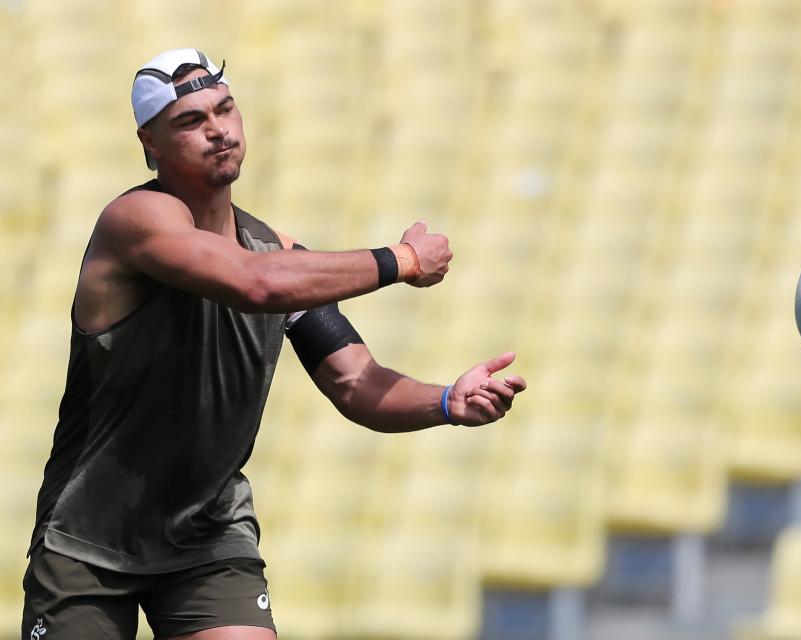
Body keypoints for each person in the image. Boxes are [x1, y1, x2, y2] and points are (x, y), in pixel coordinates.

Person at [21, 48, 526, 640]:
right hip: (90, 537)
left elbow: (357, 383)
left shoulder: (280, 254)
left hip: (206, 532)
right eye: (190, 121)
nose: (218, 131)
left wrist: (447, 402)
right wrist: (403, 260)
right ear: (149, 142)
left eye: (226, 109)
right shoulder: (136, 220)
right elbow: (254, 285)